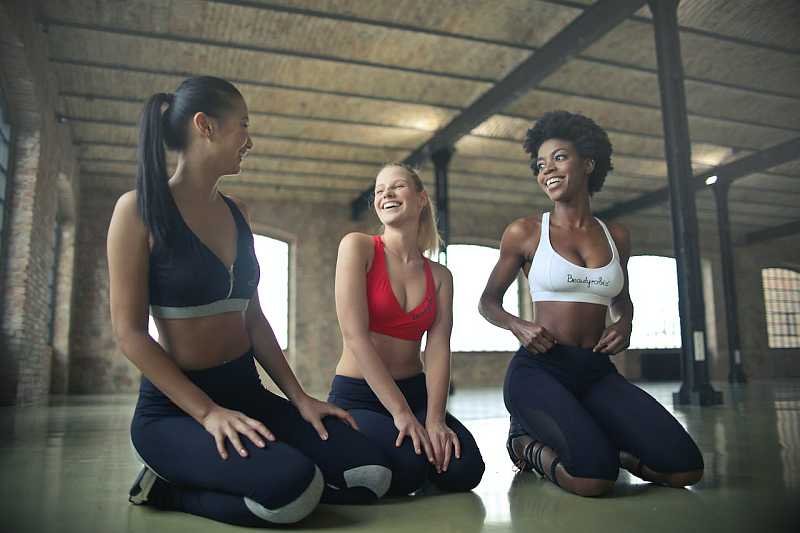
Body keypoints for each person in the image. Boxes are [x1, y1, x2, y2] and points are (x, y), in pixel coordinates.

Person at [107, 76, 391, 527]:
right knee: (293, 491)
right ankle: (165, 489)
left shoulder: (237, 211)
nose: (249, 140)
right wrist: (208, 413)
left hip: (249, 394)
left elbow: (254, 318)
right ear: (206, 126)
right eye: (242, 125)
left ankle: (265, 464)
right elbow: (130, 334)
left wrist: (298, 398)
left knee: (370, 474)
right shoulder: (137, 210)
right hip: (176, 412)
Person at [478, 111, 704, 497]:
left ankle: (615, 448)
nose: (547, 169)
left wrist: (625, 324)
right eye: (540, 164)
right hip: (539, 371)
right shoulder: (527, 232)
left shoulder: (616, 236)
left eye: (559, 157)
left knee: (685, 468)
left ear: (588, 163)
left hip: (597, 372)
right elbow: (487, 302)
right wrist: (520, 326)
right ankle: (523, 443)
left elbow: (622, 301)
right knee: (593, 479)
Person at [328, 163, 485, 496]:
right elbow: (355, 337)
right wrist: (400, 413)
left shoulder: (440, 276)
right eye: (379, 190)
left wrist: (435, 419)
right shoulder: (358, 247)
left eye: (397, 186)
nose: (386, 193)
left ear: (421, 198)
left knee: (465, 469)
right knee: (409, 470)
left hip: (416, 394)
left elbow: (438, 347)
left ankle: (409, 447)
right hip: (360, 398)